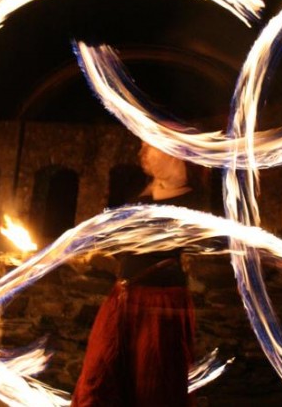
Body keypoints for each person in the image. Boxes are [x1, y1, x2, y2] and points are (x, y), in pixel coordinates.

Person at [72, 142, 207, 407]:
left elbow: (167, 245)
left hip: (159, 307)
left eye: (150, 146)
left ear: (173, 152)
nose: (141, 153)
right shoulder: (144, 193)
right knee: (98, 376)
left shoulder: (193, 202)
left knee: (153, 384)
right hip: (122, 298)